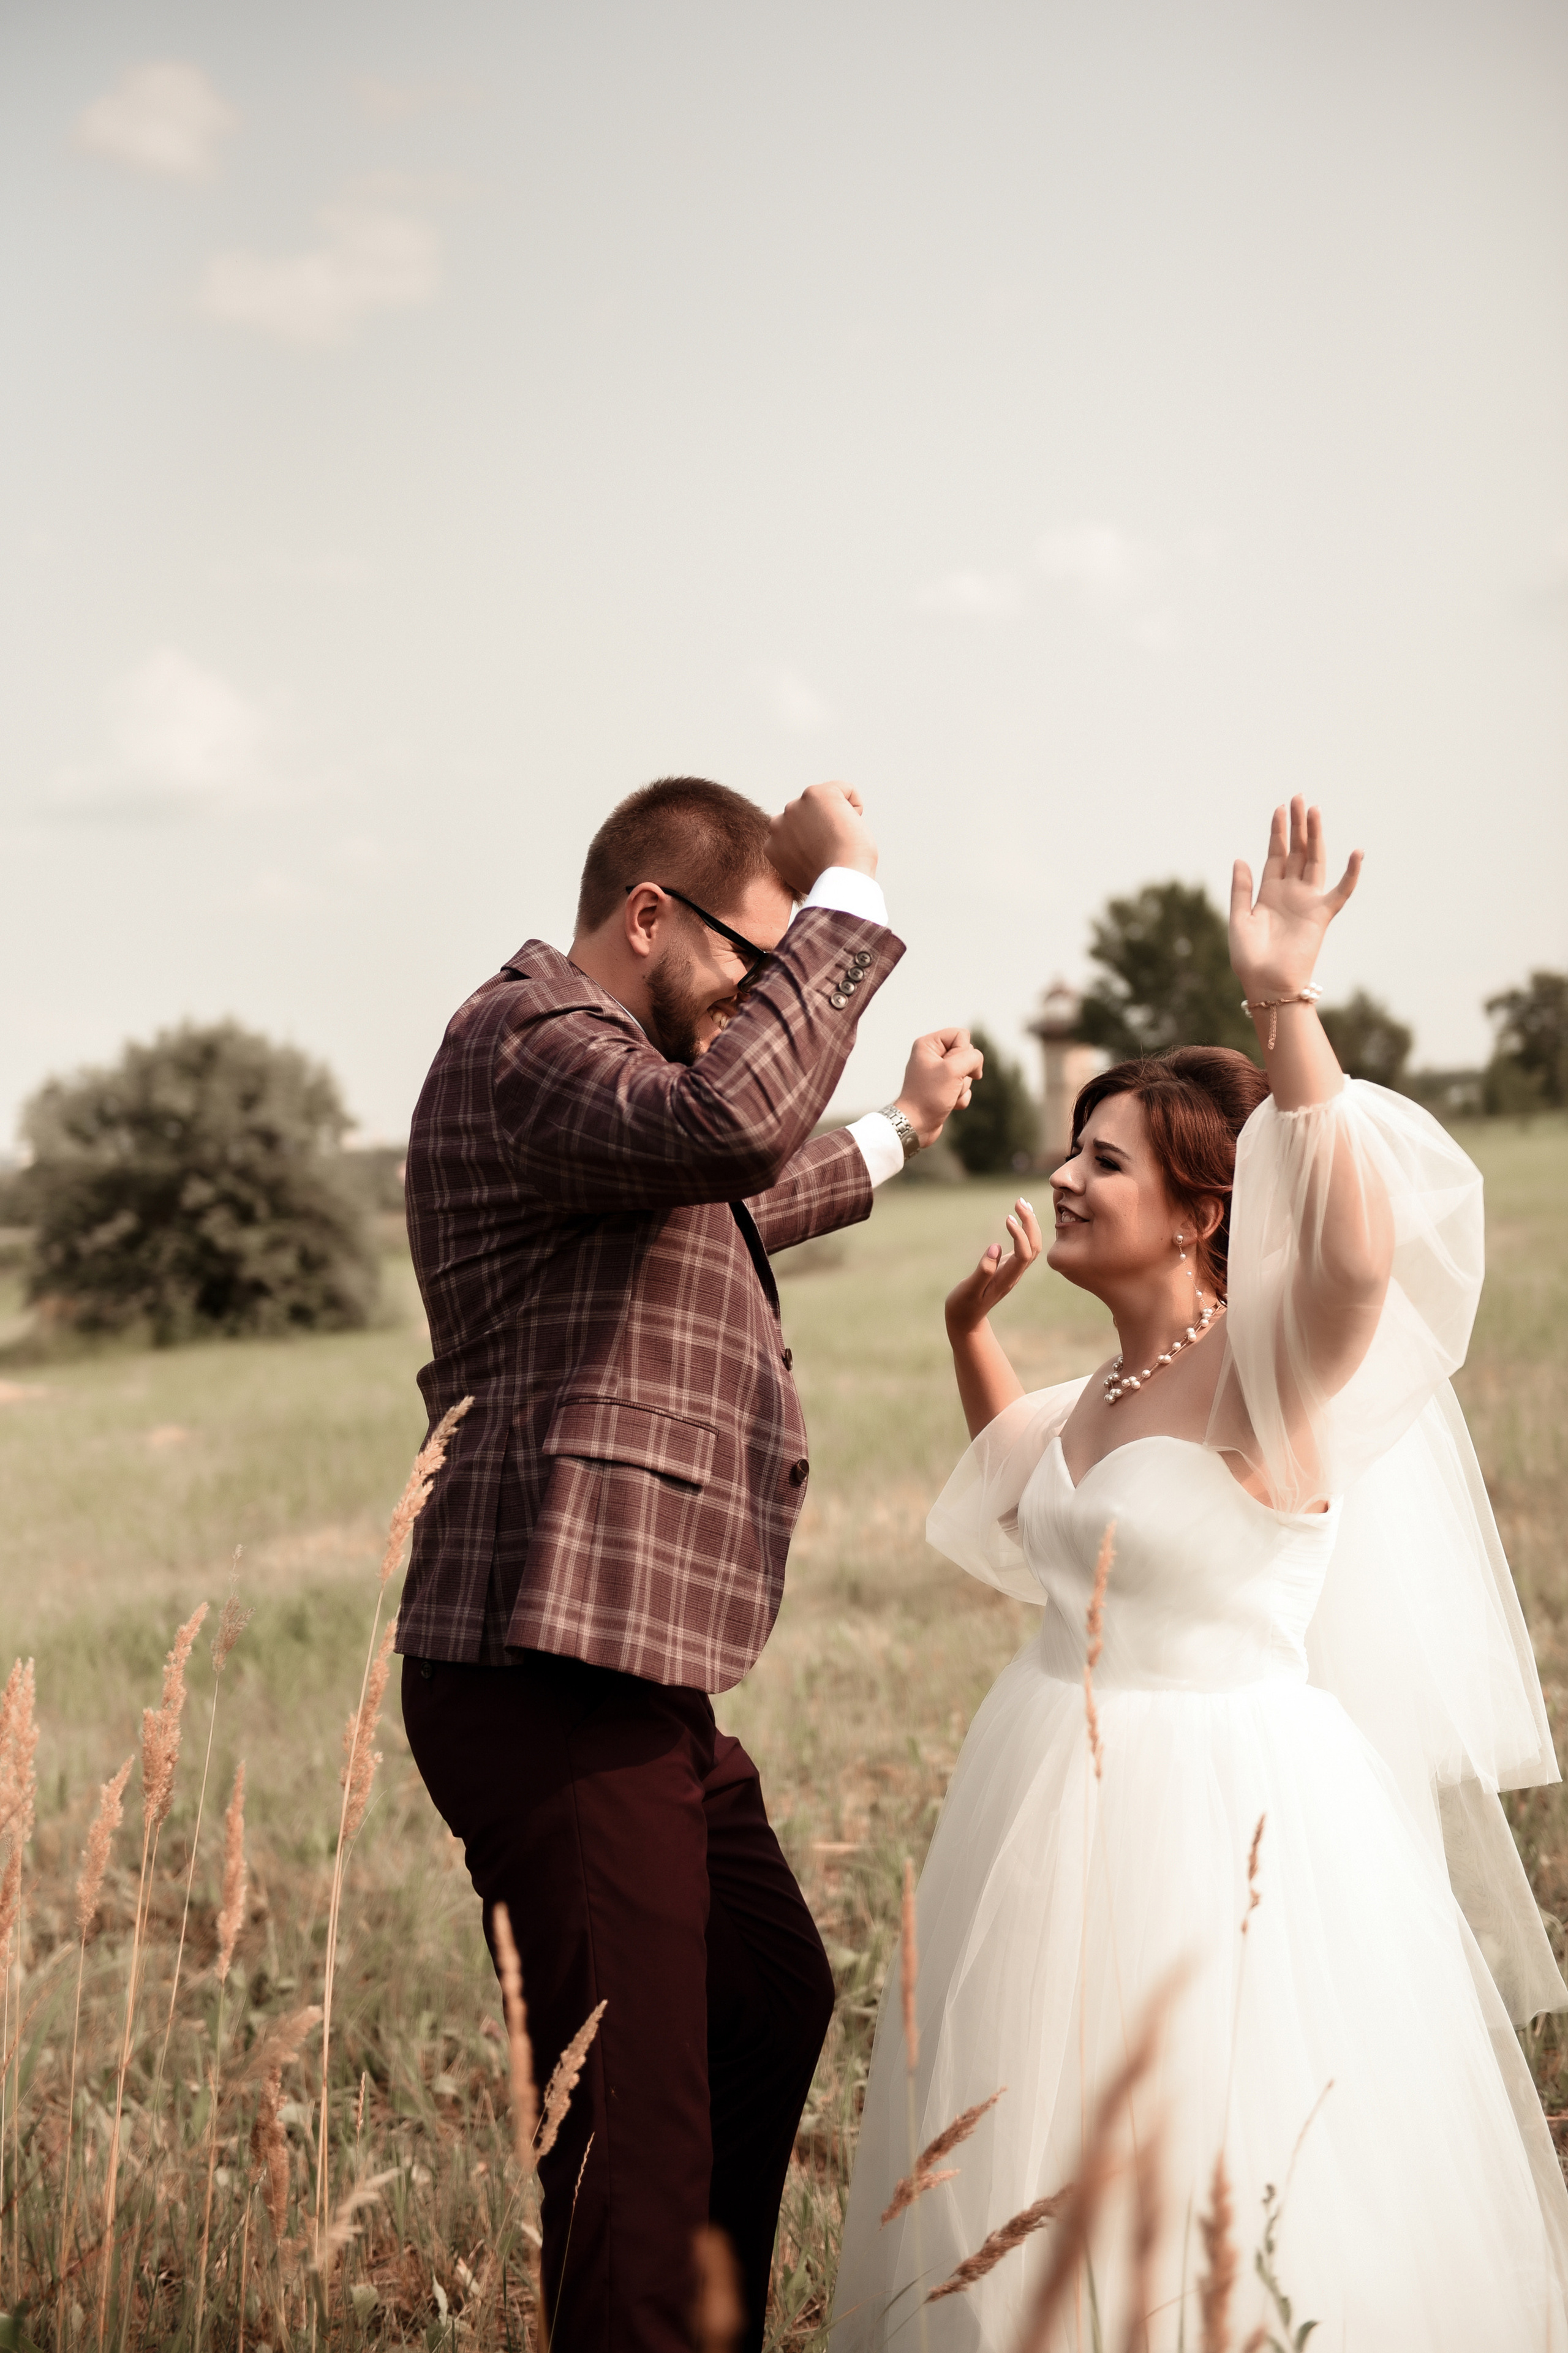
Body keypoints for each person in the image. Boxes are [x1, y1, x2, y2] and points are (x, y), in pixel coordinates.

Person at [833, 802, 1568, 2350]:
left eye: (1102, 1159)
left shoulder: (1264, 1377)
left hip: (1219, 1813)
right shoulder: (1095, 1394)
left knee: (1215, 2154)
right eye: (1071, 1147)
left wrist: (1282, 998)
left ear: (1200, 1210)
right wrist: (968, 1332)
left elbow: (1357, 1260)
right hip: (1041, 1794)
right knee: (1038, 2148)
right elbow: (1027, 1500)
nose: (1064, 1175)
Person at [396, 775, 982, 2353]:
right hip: (546, 1668)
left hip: (624, 1669)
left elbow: (732, 1194)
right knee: (631, 2150)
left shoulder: (618, 1100)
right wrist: (846, 892)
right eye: (750, 961)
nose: (757, 1001)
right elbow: (727, 1129)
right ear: (648, 916)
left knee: (763, 1997)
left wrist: (899, 1130)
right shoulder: (524, 1034)